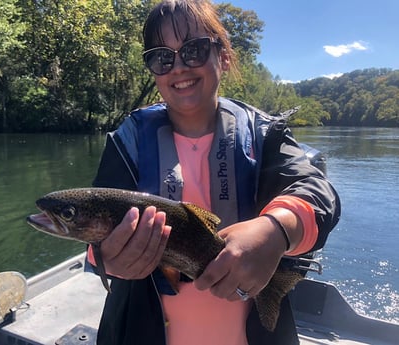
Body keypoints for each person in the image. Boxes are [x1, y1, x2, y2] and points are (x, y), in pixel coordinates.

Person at [87, 0, 341, 344]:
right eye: (162, 58)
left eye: (194, 50)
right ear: (154, 70)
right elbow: (95, 231)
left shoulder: (265, 134)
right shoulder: (127, 143)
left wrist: (277, 230)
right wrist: (107, 259)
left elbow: (316, 191)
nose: (178, 66)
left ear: (223, 56)